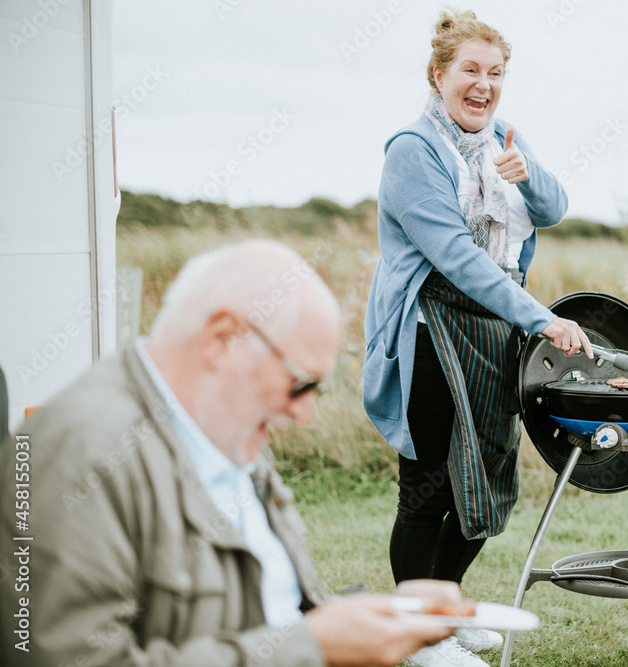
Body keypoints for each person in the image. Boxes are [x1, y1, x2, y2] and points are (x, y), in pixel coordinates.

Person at [0, 240, 461, 667]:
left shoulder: (226, 426)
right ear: (223, 337)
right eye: (301, 384)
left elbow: (263, 611)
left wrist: (363, 616)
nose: (305, 414)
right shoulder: (80, 452)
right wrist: (311, 646)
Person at [362, 9, 592, 667]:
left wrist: (526, 172)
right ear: (439, 75)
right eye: (470, 70)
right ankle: (416, 639)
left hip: (493, 331)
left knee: (487, 478)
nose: (483, 84)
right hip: (431, 330)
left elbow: (554, 207)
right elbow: (458, 257)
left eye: (495, 72)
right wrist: (541, 317)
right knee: (429, 485)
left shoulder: (503, 135)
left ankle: (442, 612)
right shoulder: (412, 151)